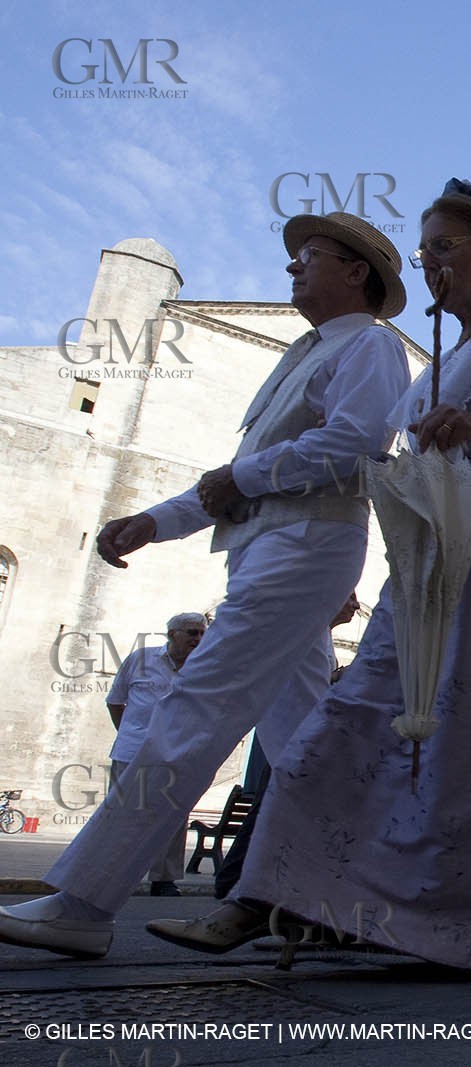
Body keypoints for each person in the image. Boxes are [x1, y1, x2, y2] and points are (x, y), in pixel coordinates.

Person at [145, 179, 471, 971]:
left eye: (444, 249)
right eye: (423, 256)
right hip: (426, 560)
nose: (431, 267)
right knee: (356, 714)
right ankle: (267, 893)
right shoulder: (431, 370)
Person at [0, 213, 412, 960]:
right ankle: (346, 900)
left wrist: (238, 480)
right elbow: (234, 481)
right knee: (302, 738)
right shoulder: (307, 354)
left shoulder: (374, 346)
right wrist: (154, 522)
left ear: (356, 271)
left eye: (307, 257)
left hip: (306, 543)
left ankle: (85, 900)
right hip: (269, 547)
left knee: (196, 707)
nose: (291, 269)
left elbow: (353, 443)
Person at [212, 592, 360, 900]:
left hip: (298, 743)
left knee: (269, 810)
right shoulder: (305, 632)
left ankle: (236, 883)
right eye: (350, 598)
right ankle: (236, 885)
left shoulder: (320, 639)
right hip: (296, 744)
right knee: (273, 811)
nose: (356, 606)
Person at [103, 612, 208, 898]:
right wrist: (131, 734)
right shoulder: (141, 660)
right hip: (132, 751)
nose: (198, 639)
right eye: (191, 633)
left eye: (201, 633)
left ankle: (163, 879)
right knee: (122, 813)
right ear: (172, 634)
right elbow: (115, 701)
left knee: (172, 816)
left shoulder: (205, 668)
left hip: (177, 753)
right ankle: (111, 872)